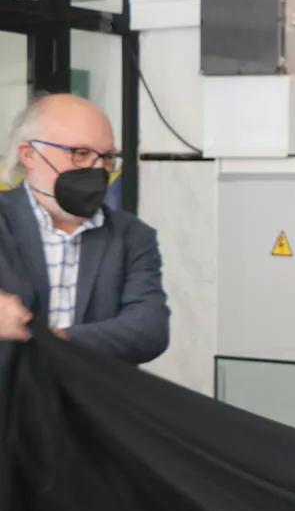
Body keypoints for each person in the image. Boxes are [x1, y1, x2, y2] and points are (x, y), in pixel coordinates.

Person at [0, 93, 170, 364]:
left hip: (90, 399)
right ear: (29, 155)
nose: (96, 169)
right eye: (80, 154)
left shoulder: (132, 236)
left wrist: (53, 340)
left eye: (106, 157)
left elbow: (149, 329)